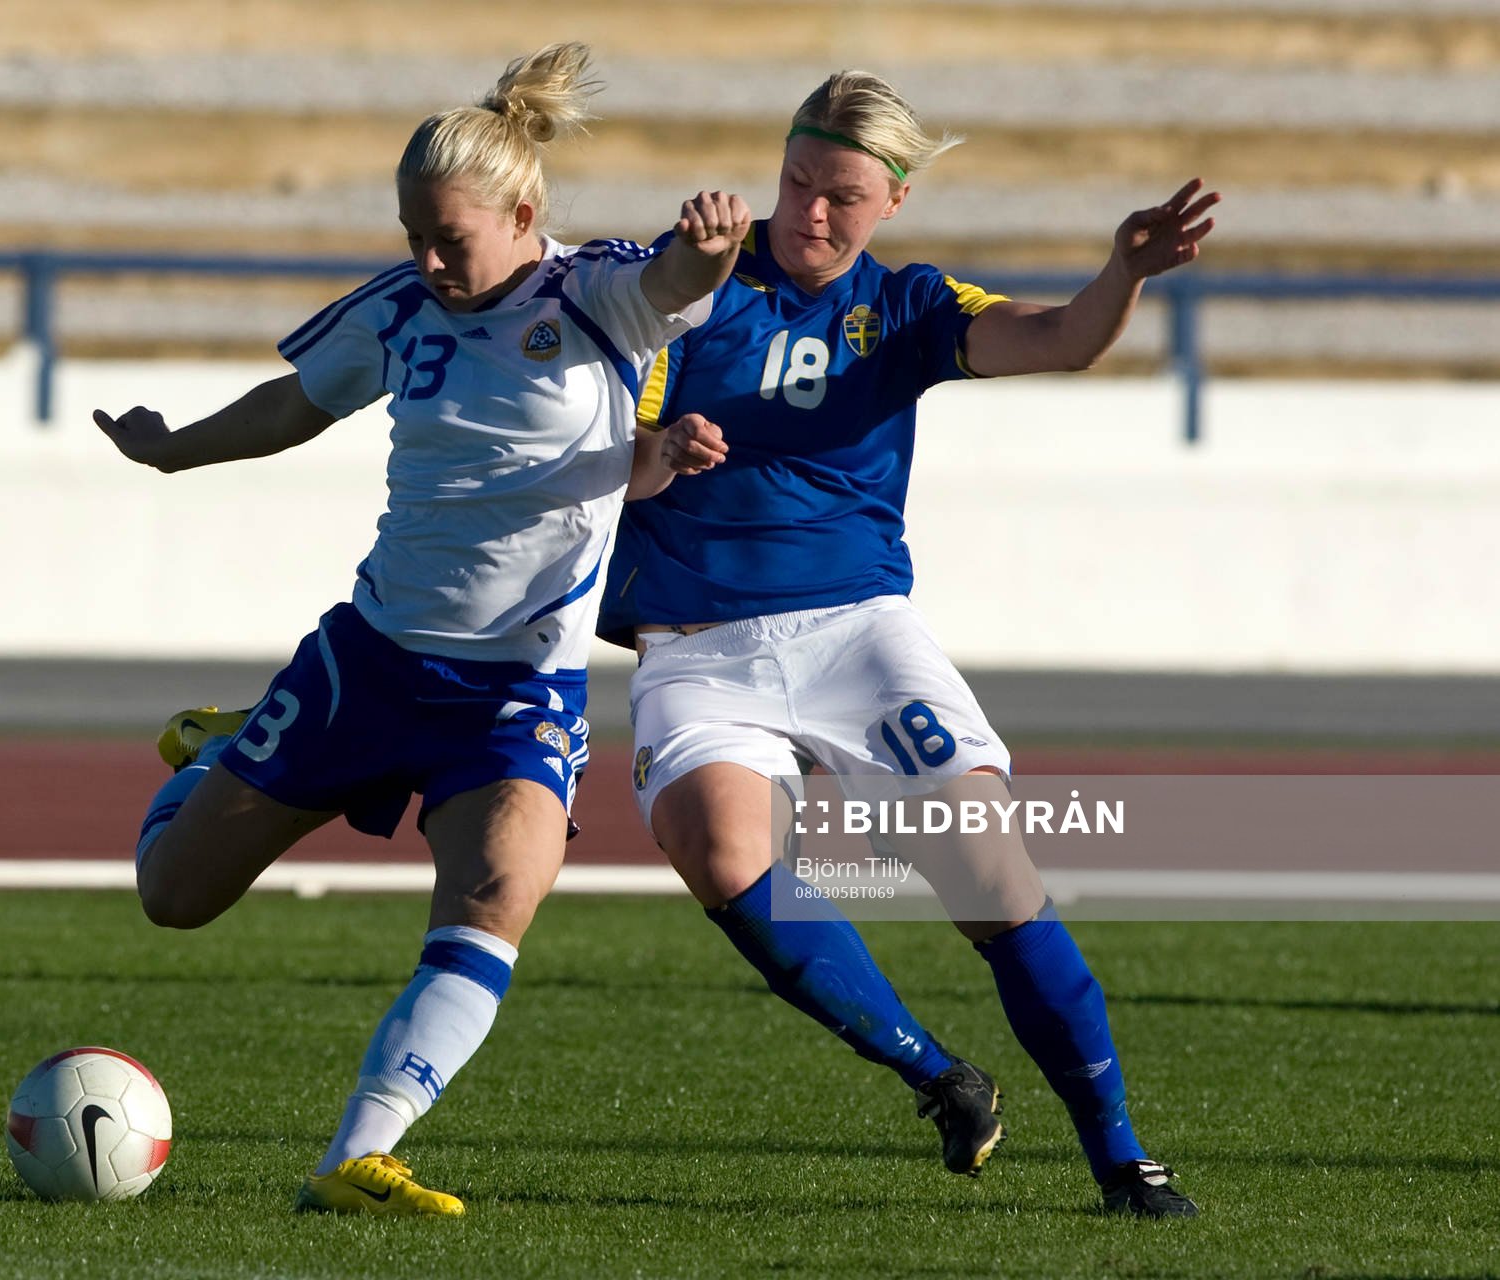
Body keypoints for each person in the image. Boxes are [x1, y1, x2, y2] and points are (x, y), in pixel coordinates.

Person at [93, 42, 749, 1217]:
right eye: (413, 236)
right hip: (371, 664)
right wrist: (174, 448)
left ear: (524, 217)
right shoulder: (398, 310)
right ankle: (216, 752)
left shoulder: (593, 293)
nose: (430, 261)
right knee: (172, 895)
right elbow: (296, 403)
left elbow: (676, 280)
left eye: (450, 237)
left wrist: (709, 248)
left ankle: (358, 1154)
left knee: (500, 889)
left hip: (518, 690)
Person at [600, 70, 1218, 1218]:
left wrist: (1122, 273)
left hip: (858, 632)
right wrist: (665, 448)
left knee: (989, 870)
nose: (810, 212)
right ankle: (939, 1075)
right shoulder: (688, 281)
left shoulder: (909, 304)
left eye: (842, 196)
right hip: (696, 642)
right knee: (721, 849)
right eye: (797, 182)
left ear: (890, 202)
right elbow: (609, 467)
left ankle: (1124, 1158)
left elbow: (1060, 337)